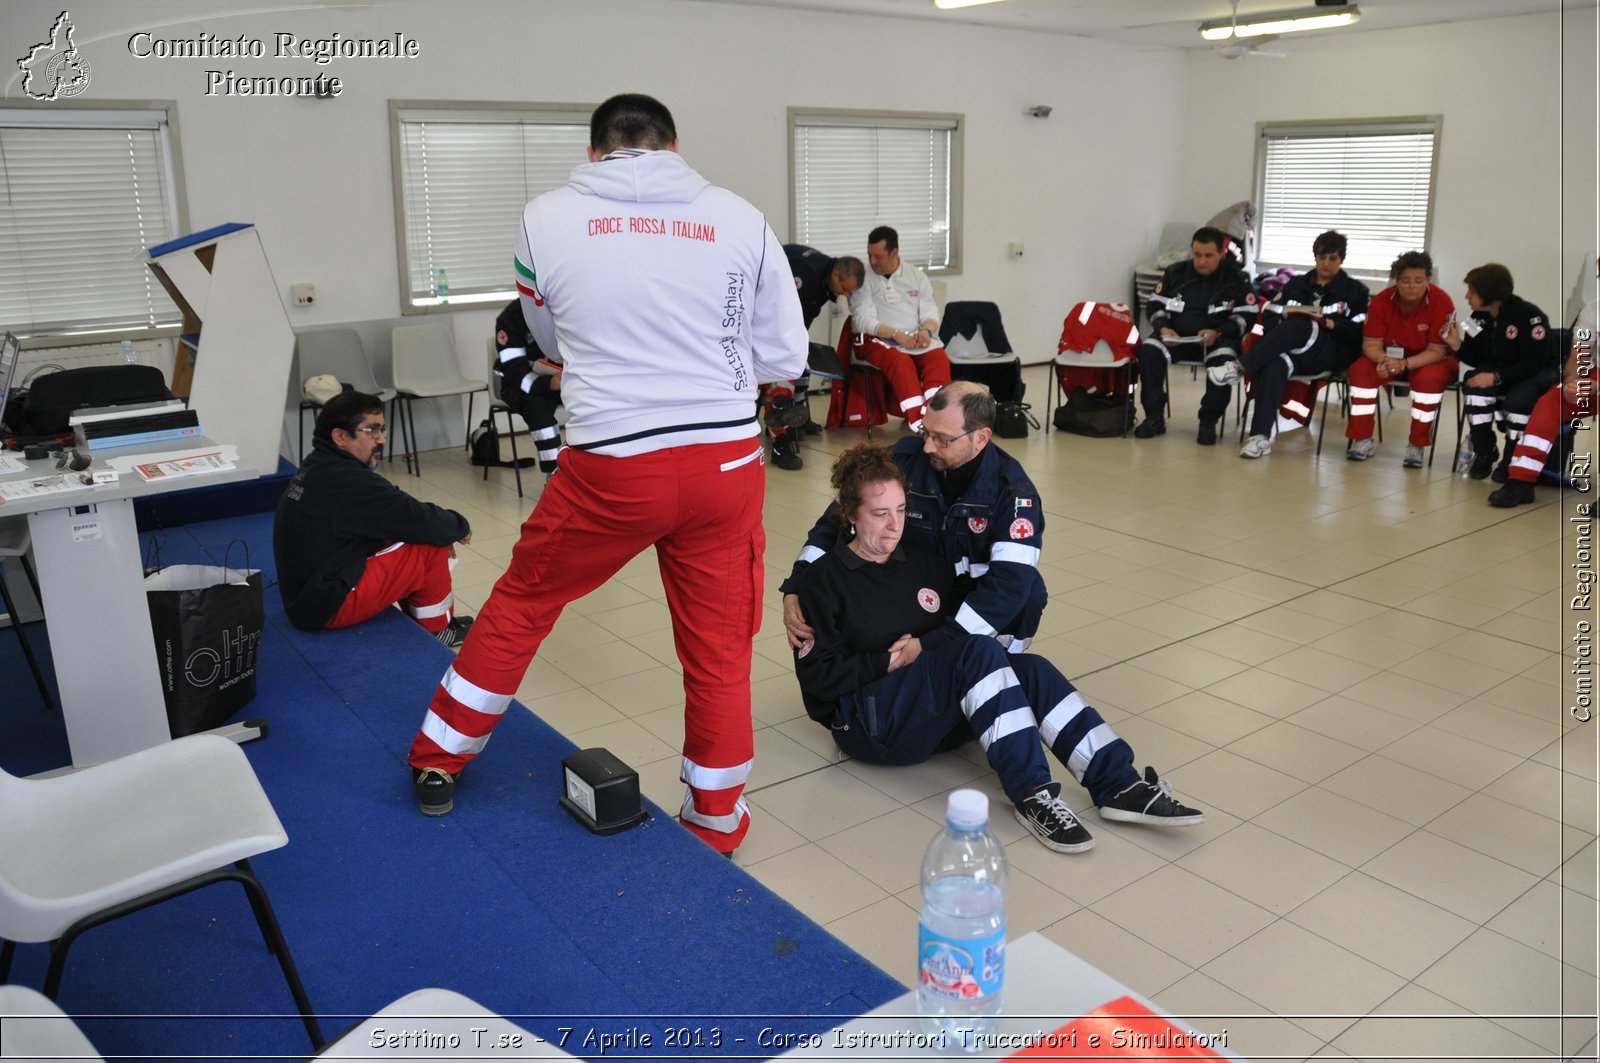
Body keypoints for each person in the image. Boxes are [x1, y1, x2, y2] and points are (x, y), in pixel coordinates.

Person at [406, 94, 808, 852]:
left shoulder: (544, 217)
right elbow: (785, 357)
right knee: (718, 651)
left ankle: (439, 758)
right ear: (674, 144)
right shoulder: (741, 217)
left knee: (525, 599)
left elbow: (549, 335)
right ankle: (716, 821)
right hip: (724, 461)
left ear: (595, 152)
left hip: (613, 462)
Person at [792, 444, 1204, 853]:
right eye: (879, 514)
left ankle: (1118, 783)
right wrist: (887, 662)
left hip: (931, 718)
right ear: (849, 514)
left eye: (900, 511)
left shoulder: (921, 562)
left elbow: (971, 622)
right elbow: (818, 679)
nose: (893, 526)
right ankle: (1034, 795)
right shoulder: (822, 582)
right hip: (870, 726)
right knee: (976, 652)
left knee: (1031, 668)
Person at [781, 381, 1044, 658]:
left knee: (1030, 593)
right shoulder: (903, 461)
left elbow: (1009, 586)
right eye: (925, 432)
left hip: (974, 597)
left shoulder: (1015, 495)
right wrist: (797, 585)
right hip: (908, 586)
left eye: (942, 439)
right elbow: (833, 523)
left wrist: (936, 642)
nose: (928, 447)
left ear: (981, 437)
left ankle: (1005, 664)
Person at [274, 390, 474, 646]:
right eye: (372, 431)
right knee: (429, 543)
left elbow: (398, 511)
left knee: (413, 529)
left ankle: (428, 621)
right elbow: (418, 519)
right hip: (324, 604)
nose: (382, 439)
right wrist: (459, 526)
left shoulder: (320, 465)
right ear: (341, 436)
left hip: (308, 595)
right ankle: (436, 632)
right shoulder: (348, 482)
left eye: (382, 429)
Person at [1227, 230, 1370, 458]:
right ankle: (1260, 437)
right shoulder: (1296, 284)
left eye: (1332, 258)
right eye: (1322, 257)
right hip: (1295, 351)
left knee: (1301, 325)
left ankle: (1239, 367)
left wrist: (1331, 324)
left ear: (1341, 259)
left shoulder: (1356, 291)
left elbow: (1360, 332)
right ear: (1315, 257)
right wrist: (1286, 325)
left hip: (1331, 352)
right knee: (1274, 363)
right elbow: (1271, 315)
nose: (1326, 263)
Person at [1133, 226, 1254, 445]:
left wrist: (1219, 331)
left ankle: (1208, 421)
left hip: (1217, 339)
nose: (1201, 261)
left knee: (1223, 362)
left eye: (1208, 256)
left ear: (1221, 253)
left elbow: (1247, 318)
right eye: (1197, 254)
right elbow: (1154, 306)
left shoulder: (1237, 278)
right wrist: (1162, 327)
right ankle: (1154, 416)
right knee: (1148, 350)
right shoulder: (1175, 273)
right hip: (1176, 337)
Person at [1441, 263, 1561, 481]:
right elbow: (1476, 358)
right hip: (1500, 371)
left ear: (1489, 293)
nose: (1467, 296)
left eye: (1472, 291)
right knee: (1473, 386)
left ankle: (1511, 458)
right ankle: (1485, 451)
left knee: (1517, 402)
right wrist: (1456, 344)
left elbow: (1537, 361)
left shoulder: (1530, 316)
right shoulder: (1475, 318)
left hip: (1533, 373)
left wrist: (1497, 377)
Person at [1348, 251, 1457, 466]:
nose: (1412, 286)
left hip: (1430, 360)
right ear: (1396, 281)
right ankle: (1362, 439)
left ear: (1428, 280)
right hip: (1389, 357)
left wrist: (1404, 364)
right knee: (1360, 371)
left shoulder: (1442, 301)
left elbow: (1437, 350)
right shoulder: (1381, 300)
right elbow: (1370, 345)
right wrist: (1383, 360)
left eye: (1419, 281)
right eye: (1406, 281)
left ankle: (1417, 445)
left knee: (1429, 380)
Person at [763, 245, 865, 471]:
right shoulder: (806, 271)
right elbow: (780, 311)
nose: (845, 295)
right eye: (845, 289)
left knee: (803, 367)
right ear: (836, 274)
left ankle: (800, 420)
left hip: (790, 330)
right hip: (769, 331)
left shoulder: (824, 277)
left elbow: (802, 315)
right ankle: (781, 445)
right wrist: (786, 351)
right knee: (782, 386)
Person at [1489, 298, 1597, 506]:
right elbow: (1579, 355)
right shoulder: (1593, 310)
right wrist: (1572, 383)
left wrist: (1596, 387)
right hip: (1595, 375)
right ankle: (1521, 481)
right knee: (1550, 403)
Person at [846, 225, 952, 433]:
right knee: (900, 362)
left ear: (894, 252)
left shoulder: (916, 276)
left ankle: (938, 414)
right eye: (869, 255)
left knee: (938, 358)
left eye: (878, 256)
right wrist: (895, 334)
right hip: (877, 340)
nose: (872, 261)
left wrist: (926, 332)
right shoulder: (863, 279)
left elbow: (930, 313)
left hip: (913, 339)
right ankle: (918, 422)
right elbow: (861, 320)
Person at [492, 298, 564, 474]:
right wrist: (549, 384)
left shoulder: (565, 306)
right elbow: (515, 371)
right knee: (538, 409)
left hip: (562, 379)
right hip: (521, 386)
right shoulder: (510, 318)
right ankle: (554, 474)